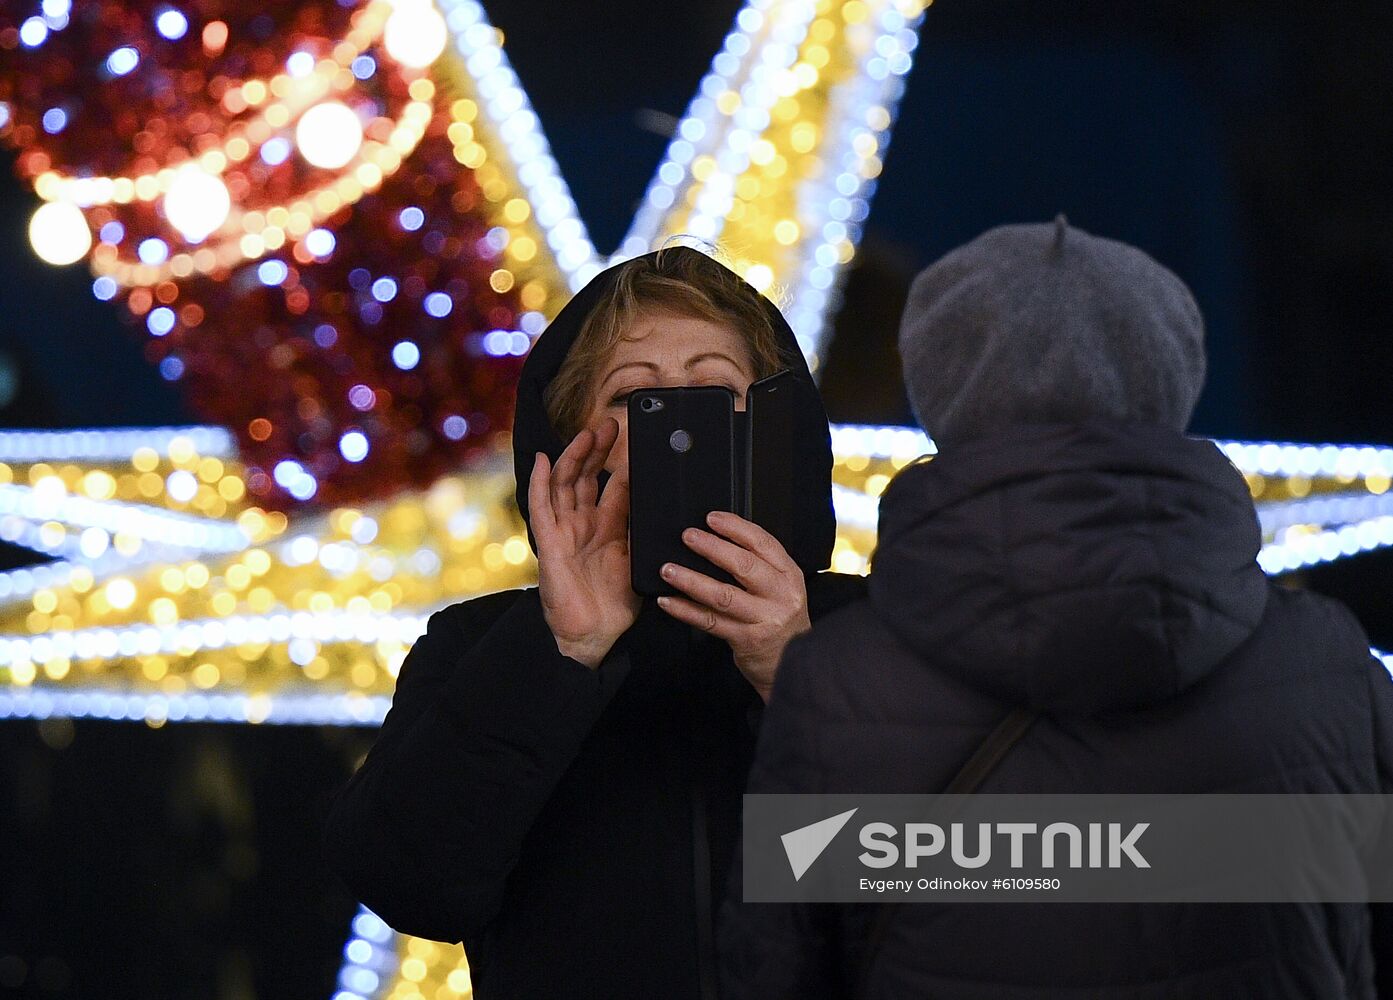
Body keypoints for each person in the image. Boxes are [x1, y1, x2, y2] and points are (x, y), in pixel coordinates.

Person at [717, 218, 1393, 998]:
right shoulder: (1326, 666)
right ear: (1175, 374)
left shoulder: (834, 684)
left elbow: (768, 973)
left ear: (937, 389)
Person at [320, 244, 866, 1000]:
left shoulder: (880, 629)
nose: (679, 422)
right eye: (633, 398)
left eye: (712, 389)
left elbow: (978, 881)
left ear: (772, 423)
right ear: (573, 437)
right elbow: (408, 883)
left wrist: (795, 676)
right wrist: (560, 651)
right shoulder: (479, 646)